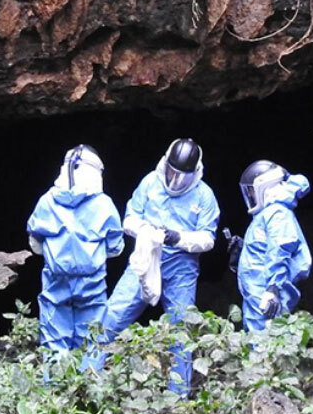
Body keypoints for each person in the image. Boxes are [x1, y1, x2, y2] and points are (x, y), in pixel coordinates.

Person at [87, 138, 220, 396]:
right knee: (111, 317)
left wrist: (179, 237)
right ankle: (87, 379)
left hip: (181, 267)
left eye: (182, 176)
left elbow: (208, 238)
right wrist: (148, 232)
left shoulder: (204, 195)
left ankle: (177, 397)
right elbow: (129, 219)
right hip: (146, 259)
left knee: (182, 331)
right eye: (172, 172)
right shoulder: (150, 183)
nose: (175, 179)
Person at [27, 145, 124, 353]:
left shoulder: (47, 201)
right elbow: (116, 248)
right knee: (92, 339)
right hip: (92, 281)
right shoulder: (104, 204)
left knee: (54, 337)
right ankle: (88, 384)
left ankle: (55, 384)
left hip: (56, 278)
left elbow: (35, 244)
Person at [233, 160, 312, 333]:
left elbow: (281, 248)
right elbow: (263, 250)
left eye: (252, 191)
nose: (251, 195)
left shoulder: (277, 213)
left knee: (267, 343)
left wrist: (273, 289)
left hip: (266, 295)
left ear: (263, 187)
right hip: (257, 294)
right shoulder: (267, 214)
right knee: (256, 343)